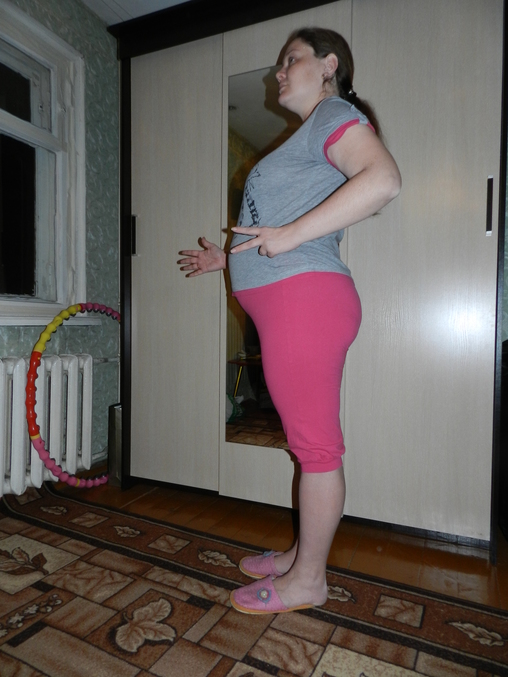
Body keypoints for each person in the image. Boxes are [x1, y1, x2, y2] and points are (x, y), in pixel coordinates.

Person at [178, 27, 401, 614]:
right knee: (309, 447)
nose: (278, 71)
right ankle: (300, 556)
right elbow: (275, 227)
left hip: (306, 301)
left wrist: (291, 236)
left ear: (329, 65)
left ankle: (308, 581)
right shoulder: (311, 131)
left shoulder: (334, 114)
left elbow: (383, 181)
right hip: (294, 301)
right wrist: (227, 259)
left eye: (291, 59)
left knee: (316, 449)